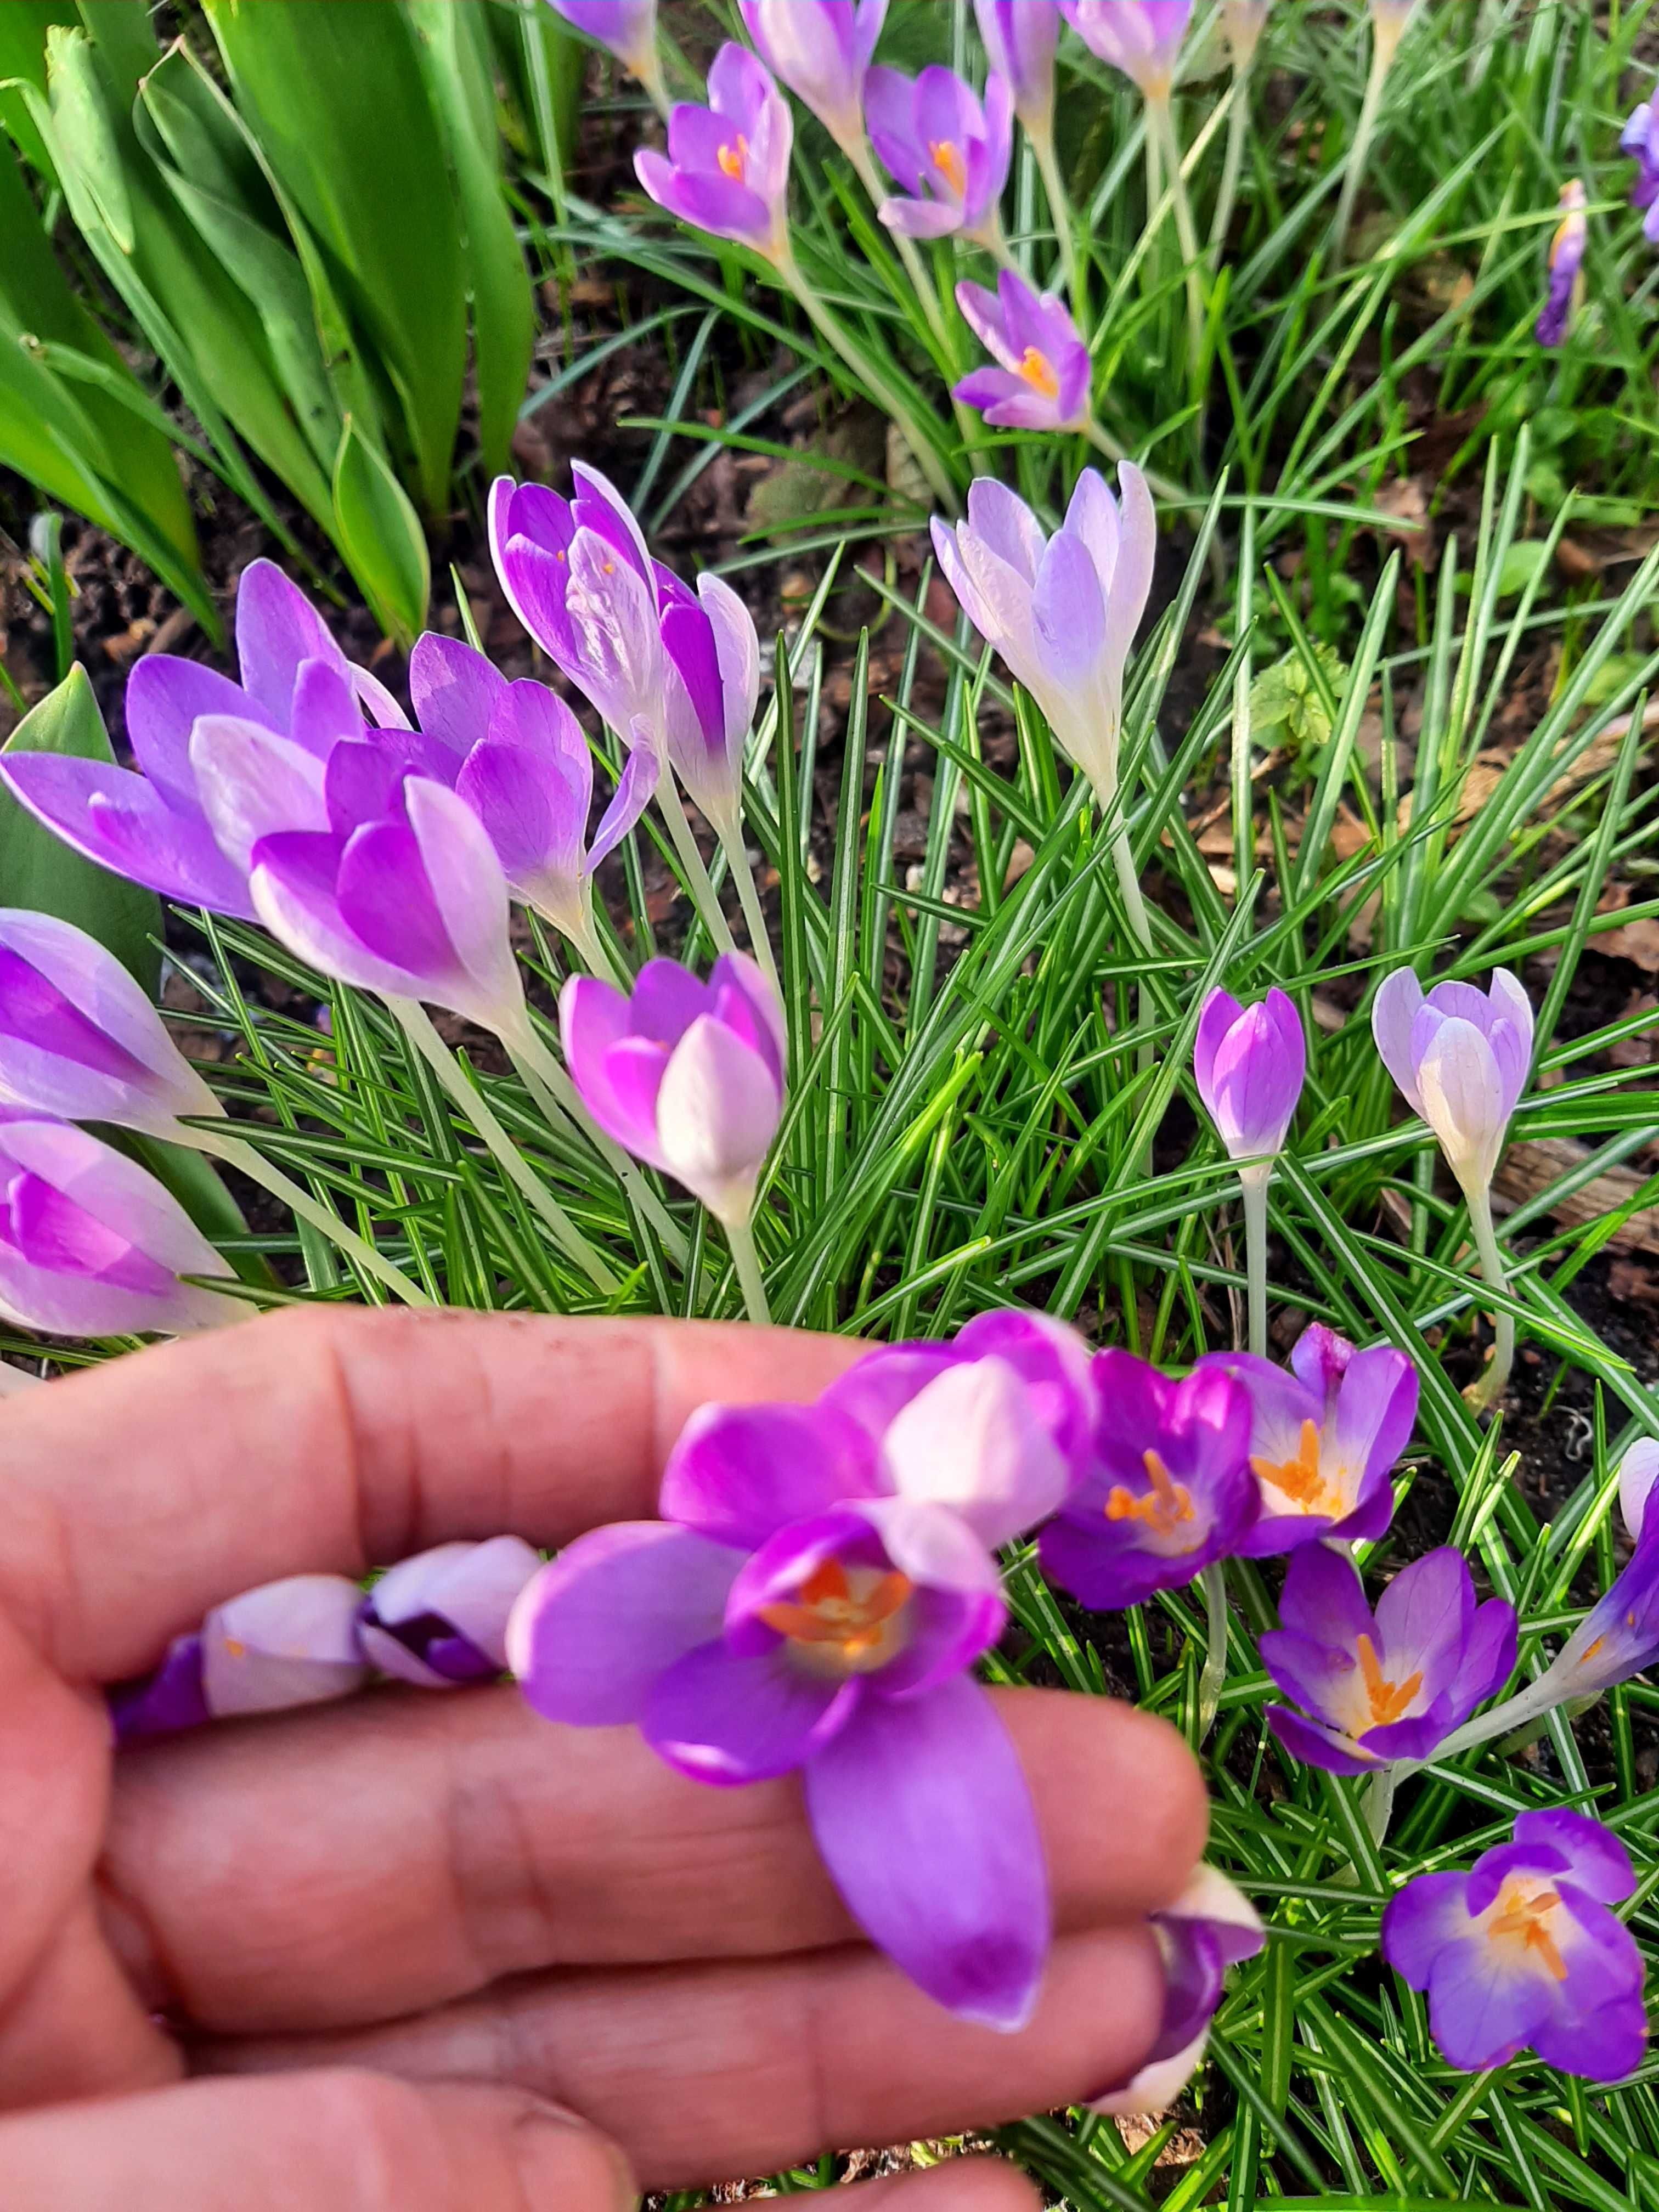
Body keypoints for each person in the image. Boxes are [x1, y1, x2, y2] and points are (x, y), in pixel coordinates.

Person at [0, 1307, 1207, 2210]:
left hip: (900, 1688)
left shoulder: (916, 1601)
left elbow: (1000, 1403)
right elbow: (561, 1633)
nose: (842, 1614)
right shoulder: (674, 1598)